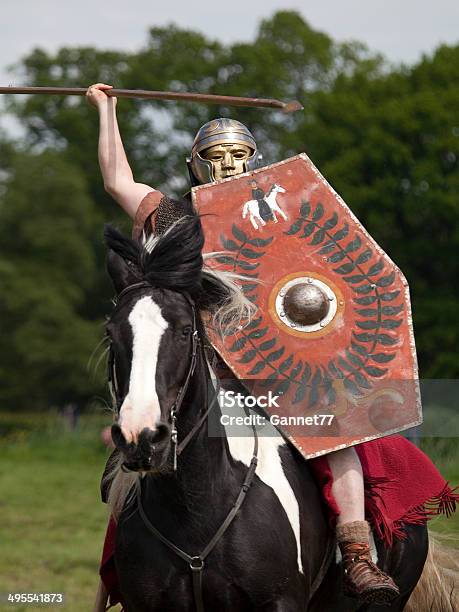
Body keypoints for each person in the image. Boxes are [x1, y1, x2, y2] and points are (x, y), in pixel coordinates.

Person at [87, 82, 400, 608]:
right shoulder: (175, 219)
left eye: (237, 156)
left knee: (337, 435)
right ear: (196, 165)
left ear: (256, 161)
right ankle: (119, 581)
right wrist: (106, 107)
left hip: (278, 370)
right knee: (128, 471)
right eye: (214, 157)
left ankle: (356, 552)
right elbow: (118, 179)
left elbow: (320, 294)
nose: (226, 166)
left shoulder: (287, 218)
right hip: (202, 376)